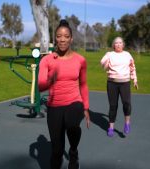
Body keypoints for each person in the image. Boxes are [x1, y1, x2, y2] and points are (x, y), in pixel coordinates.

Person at [38, 19, 90, 169]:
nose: (62, 39)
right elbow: (41, 87)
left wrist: (85, 107)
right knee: (56, 151)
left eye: (66, 36)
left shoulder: (80, 60)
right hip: (54, 106)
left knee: (72, 124)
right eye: (59, 36)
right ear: (55, 39)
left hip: (74, 101)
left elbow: (83, 84)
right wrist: (53, 75)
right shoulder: (46, 60)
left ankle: (73, 152)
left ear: (71, 38)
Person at [100, 37, 138, 137]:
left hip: (125, 83)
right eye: (116, 43)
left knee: (126, 103)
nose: (118, 44)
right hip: (112, 83)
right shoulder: (110, 54)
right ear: (113, 45)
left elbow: (132, 67)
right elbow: (102, 63)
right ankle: (111, 127)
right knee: (113, 106)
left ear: (123, 44)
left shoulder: (127, 55)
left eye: (120, 43)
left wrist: (134, 79)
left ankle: (127, 123)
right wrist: (106, 63)